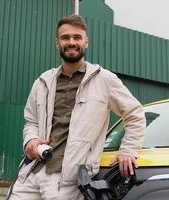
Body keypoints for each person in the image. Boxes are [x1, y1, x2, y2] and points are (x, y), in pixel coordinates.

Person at [8, 14, 146, 199]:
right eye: (65, 37)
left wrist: (128, 151)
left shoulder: (104, 80)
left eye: (77, 37)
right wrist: (30, 140)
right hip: (31, 173)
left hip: (67, 181)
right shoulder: (43, 81)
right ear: (57, 42)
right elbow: (31, 121)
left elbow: (135, 113)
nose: (71, 42)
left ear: (86, 42)